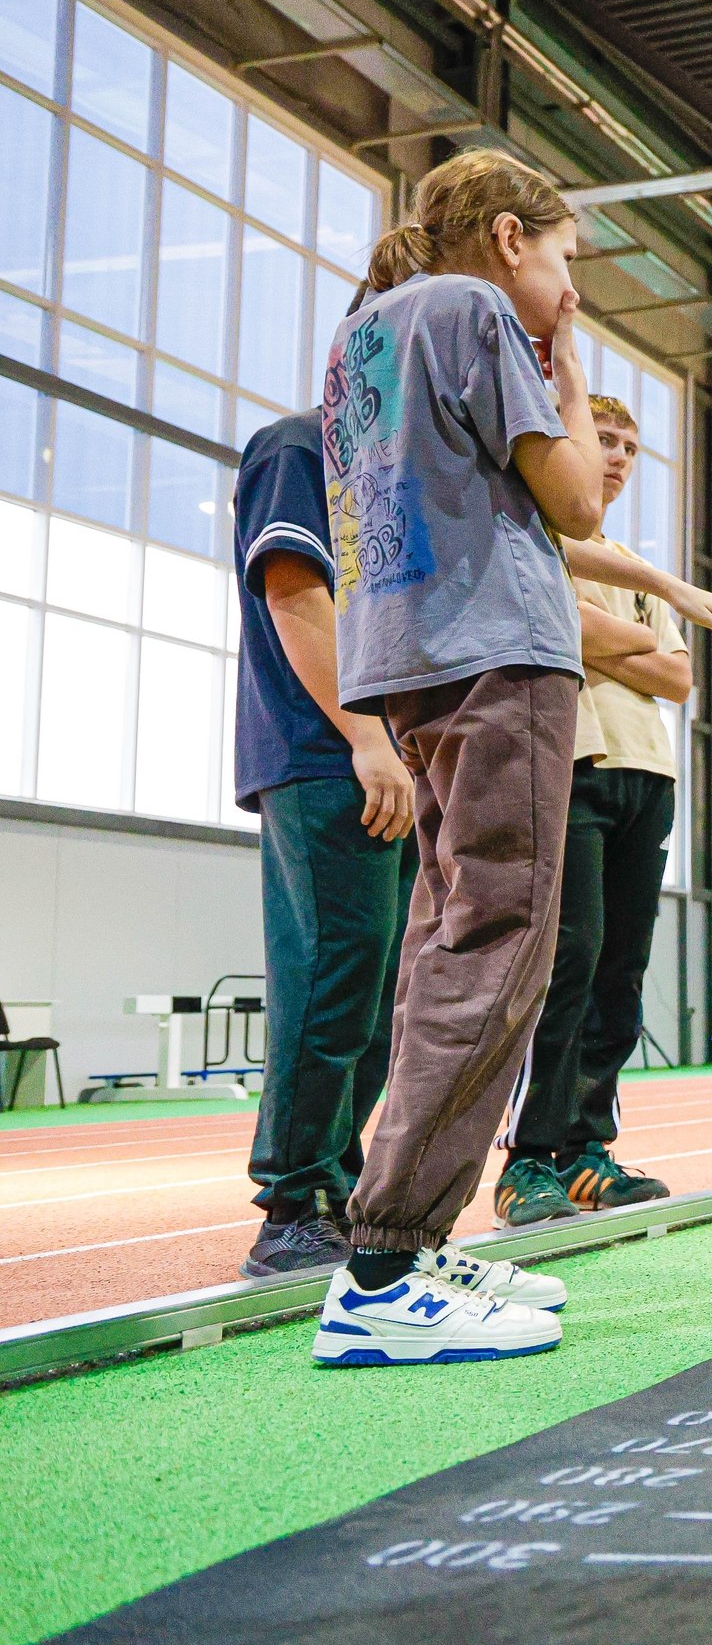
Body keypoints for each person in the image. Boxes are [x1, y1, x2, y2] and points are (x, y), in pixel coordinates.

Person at [310, 152, 712, 1363]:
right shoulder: (476, 309)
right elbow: (573, 501)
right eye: (566, 259)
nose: (572, 287)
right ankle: (385, 1264)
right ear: (511, 237)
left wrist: (660, 581)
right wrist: (565, 365)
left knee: (447, 939)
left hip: (408, 657)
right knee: (502, 945)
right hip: (495, 657)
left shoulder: (365, 335)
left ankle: (402, 1237)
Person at [230, 408, 418, 1276]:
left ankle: (333, 1182)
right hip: (325, 753)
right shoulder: (301, 447)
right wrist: (368, 737)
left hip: (385, 759)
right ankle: (292, 1200)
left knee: (378, 993)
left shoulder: (393, 476)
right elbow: (293, 592)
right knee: (331, 975)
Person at [494, 395, 684, 1227]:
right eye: (601, 439)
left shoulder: (635, 565)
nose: (616, 457)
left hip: (650, 771)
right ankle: (526, 1157)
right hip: (573, 760)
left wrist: (610, 639)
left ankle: (584, 1149)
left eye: (629, 447)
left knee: (621, 973)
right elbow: (561, 630)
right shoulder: (538, 537)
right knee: (567, 959)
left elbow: (679, 676)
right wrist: (630, 642)